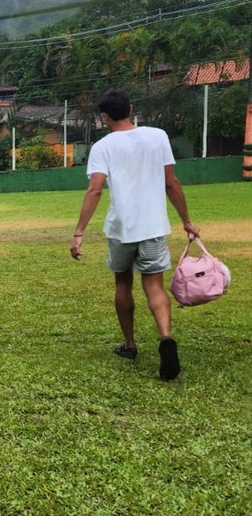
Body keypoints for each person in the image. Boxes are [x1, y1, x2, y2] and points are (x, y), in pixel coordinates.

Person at [71, 89, 199, 382]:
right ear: (130, 108)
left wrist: (79, 232)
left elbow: (94, 189)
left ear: (104, 117)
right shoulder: (158, 137)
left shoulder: (103, 147)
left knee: (123, 282)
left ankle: (130, 345)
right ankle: (166, 337)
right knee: (154, 286)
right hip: (153, 226)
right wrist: (187, 221)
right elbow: (171, 183)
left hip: (121, 229)